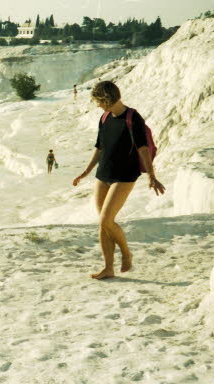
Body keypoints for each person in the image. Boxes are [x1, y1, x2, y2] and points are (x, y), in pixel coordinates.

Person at [72, 80, 165, 280]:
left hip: (124, 175)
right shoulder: (104, 117)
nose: (97, 105)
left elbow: (143, 149)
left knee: (107, 219)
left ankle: (126, 252)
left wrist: (152, 175)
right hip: (103, 173)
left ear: (106, 99)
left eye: (98, 101)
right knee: (103, 224)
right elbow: (99, 147)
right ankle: (108, 268)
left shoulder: (133, 118)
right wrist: (87, 171)